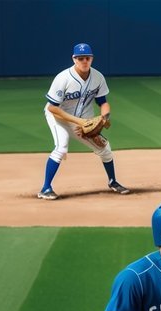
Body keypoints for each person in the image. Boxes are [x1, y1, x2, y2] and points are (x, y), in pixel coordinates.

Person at [39, 42, 130, 200]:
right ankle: (45, 189)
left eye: (87, 58)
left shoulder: (98, 77)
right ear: (74, 59)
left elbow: (103, 102)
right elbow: (53, 108)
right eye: (80, 58)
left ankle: (113, 181)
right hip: (58, 117)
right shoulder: (63, 78)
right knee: (61, 146)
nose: (84, 61)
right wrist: (79, 122)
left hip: (84, 120)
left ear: (92, 59)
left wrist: (104, 117)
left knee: (105, 149)